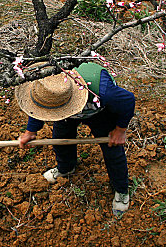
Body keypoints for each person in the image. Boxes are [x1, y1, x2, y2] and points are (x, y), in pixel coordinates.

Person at [15, 62, 135, 216]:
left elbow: (128, 100)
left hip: (99, 111)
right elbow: (41, 107)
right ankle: (66, 168)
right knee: (61, 140)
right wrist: (30, 131)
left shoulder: (104, 92)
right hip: (66, 114)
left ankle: (121, 189)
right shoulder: (53, 91)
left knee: (113, 151)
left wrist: (120, 130)